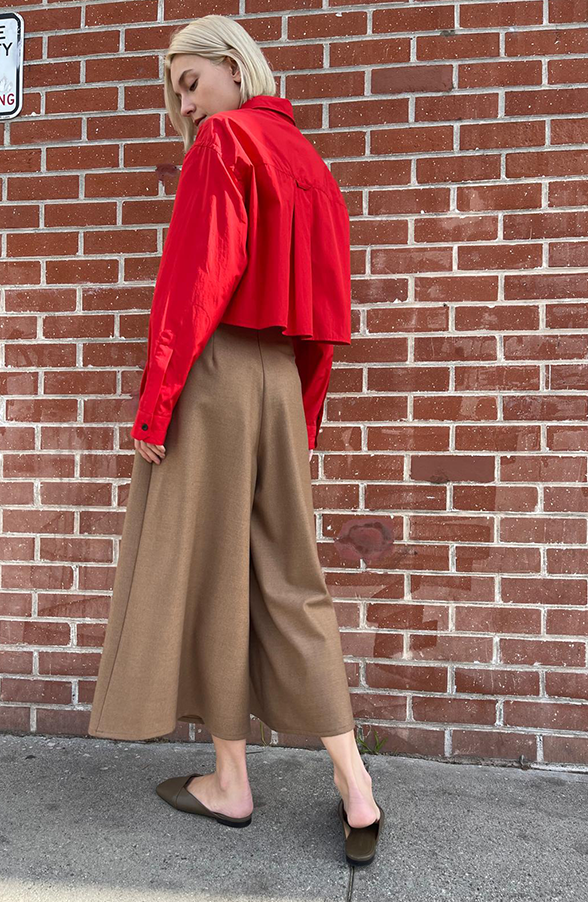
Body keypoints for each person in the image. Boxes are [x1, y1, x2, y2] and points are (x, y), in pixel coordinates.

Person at [87, 13, 383, 865]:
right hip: (279, 384)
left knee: (212, 567)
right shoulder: (311, 166)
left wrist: (157, 402)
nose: (184, 106)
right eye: (177, 92)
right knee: (291, 576)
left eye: (189, 81)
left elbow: (195, 278)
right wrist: (302, 414)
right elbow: (327, 318)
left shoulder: (224, 142)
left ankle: (231, 783)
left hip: (213, 375)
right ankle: (355, 785)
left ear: (232, 65)